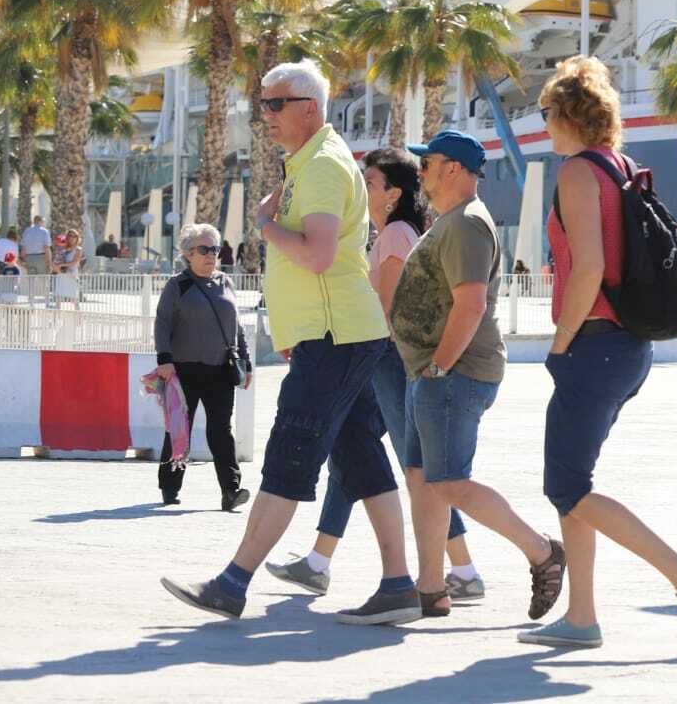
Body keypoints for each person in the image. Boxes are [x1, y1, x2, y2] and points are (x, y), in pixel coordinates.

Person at [160, 60, 419, 625]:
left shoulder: (323, 165)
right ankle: (400, 585)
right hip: (336, 336)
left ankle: (232, 582)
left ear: (309, 107)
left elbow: (319, 254)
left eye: (275, 104)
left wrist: (263, 225)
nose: (266, 115)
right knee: (362, 460)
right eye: (263, 104)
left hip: (336, 339)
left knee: (288, 457)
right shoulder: (311, 163)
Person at [518, 55, 677, 651]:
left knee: (567, 486)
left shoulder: (579, 173)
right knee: (572, 480)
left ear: (571, 115)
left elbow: (589, 268)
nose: (543, 123)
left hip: (594, 346)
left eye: (547, 112)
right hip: (628, 346)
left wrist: (558, 346)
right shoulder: (622, 166)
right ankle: (581, 616)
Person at [266, 147, 487, 602]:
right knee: (362, 454)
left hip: (387, 360)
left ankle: (462, 569)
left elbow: (389, 308)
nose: (362, 190)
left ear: (393, 194)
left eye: (370, 183)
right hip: (390, 361)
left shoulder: (394, 236)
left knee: (418, 468)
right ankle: (319, 560)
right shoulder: (397, 233)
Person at [388, 131, 560, 620]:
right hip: (434, 371)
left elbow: (471, 302)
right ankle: (430, 588)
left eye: (428, 164)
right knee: (424, 479)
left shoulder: (465, 224)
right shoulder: (451, 221)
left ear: (454, 170)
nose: (420, 173)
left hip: (453, 373)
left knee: (449, 483)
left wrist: (440, 365)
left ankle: (543, 552)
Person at [153, 223, 251, 509]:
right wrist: (165, 360)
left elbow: (236, 327)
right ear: (187, 253)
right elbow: (162, 324)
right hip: (184, 370)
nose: (211, 255)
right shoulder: (177, 285)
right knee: (179, 429)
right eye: (204, 249)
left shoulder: (225, 282)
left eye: (215, 249)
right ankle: (170, 487)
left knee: (221, 430)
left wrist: (245, 362)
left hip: (220, 369)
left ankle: (231, 491)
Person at [52, 230, 83, 306]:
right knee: (58, 297)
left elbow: (74, 262)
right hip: (61, 273)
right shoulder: (62, 248)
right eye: (70, 235)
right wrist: (57, 267)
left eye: (74, 236)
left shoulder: (78, 249)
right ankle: (56, 316)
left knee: (74, 298)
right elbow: (56, 258)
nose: (72, 238)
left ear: (77, 238)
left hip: (72, 274)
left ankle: (77, 316)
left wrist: (61, 265)